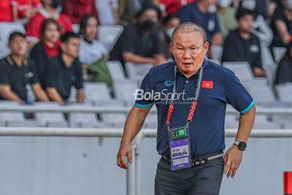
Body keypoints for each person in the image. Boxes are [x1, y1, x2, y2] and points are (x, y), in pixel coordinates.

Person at [117, 22, 256, 195]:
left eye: (193, 48)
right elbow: (139, 111)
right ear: (171, 48)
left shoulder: (222, 76)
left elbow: (248, 108)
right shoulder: (156, 75)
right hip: (168, 167)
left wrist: (239, 145)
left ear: (205, 48)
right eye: (180, 48)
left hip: (207, 167)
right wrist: (125, 141)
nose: (187, 55)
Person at [0, 31, 49, 104]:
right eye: (15, 42)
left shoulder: (29, 63)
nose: (19, 45)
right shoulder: (1, 64)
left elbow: (37, 88)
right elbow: (4, 92)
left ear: (26, 44)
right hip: (4, 106)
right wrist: (22, 105)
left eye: (22, 41)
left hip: (23, 103)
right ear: (9, 45)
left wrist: (49, 105)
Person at [109, 5, 166, 76]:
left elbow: (158, 55)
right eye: (146, 16)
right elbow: (128, 56)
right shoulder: (130, 30)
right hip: (121, 68)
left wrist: (160, 61)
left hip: (141, 68)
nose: (149, 19)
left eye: (153, 17)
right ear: (139, 17)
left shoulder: (155, 32)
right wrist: (152, 61)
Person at [222, 8, 265, 77]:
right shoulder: (230, 39)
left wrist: (259, 69)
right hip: (235, 77)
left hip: (253, 77)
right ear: (238, 22)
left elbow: (258, 62)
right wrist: (252, 70)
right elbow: (231, 63)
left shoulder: (255, 39)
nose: (250, 23)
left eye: (251, 20)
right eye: (246, 20)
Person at [45, 32, 84, 105]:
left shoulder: (77, 64)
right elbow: (50, 90)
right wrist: (64, 110)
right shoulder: (53, 63)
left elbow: (80, 90)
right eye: (74, 45)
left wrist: (80, 109)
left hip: (65, 103)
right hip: (48, 104)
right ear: (63, 46)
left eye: (78, 45)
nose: (77, 48)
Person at [78, 14, 112, 86]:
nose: (93, 29)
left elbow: (106, 56)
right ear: (82, 28)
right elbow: (82, 64)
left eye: (95, 26)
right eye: (89, 26)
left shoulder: (98, 44)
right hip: (86, 77)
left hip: (99, 76)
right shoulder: (78, 43)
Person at [29, 18, 61, 84]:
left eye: (56, 30)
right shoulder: (37, 49)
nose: (53, 33)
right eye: (50, 30)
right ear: (43, 31)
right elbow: (39, 72)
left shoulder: (61, 48)